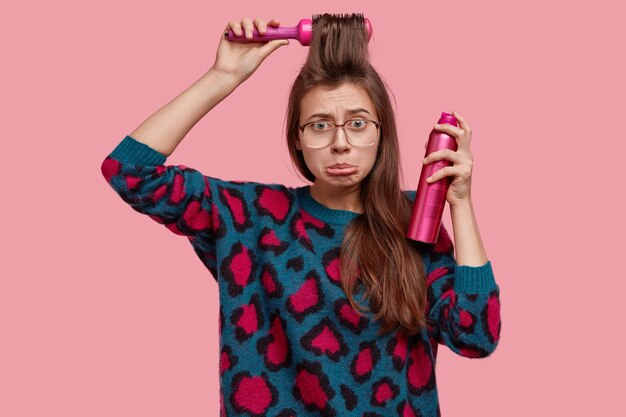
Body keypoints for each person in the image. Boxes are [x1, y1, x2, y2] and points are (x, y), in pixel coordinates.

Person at [101, 14, 501, 417]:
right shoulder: (251, 217)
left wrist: (460, 202)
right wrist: (222, 76)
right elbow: (130, 172)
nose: (340, 143)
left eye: (358, 124)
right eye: (320, 125)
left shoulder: (414, 221)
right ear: (297, 136)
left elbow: (476, 334)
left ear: (381, 132)